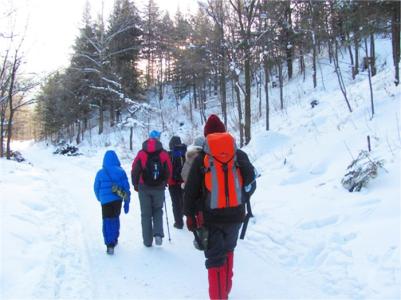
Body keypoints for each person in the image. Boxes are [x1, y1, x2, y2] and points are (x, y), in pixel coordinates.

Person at [184, 115, 256, 299]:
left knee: (215, 260)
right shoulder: (238, 154)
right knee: (229, 252)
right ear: (224, 131)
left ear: (206, 135)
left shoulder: (202, 158)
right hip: (236, 215)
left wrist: (190, 217)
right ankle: (225, 292)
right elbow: (250, 179)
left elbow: (190, 192)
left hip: (211, 218)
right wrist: (240, 196)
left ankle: (219, 296)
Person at [131, 130, 172, 247]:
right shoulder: (164, 154)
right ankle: (158, 234)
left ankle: (147, 241)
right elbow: (169, 169)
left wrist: (135, 184)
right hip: (159, 187)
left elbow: (135, 169)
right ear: (159, 139)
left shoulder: (141, 153)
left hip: (144, 187)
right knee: (158, 210)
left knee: (146, 214)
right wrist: (165, 182)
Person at [94, 150, 131, 255]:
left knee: (107, 220)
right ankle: (114, 239)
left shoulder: (100, 173)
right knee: (115, 219)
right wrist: (127, 201)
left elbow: (96, 187)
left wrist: (100, 198)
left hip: (105, 201)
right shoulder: (121, 171)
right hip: (117, 200)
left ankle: (109, 244)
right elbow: (126, 188)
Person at [168, 136, 187, 229]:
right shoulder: (185, 152)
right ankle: (183, 212)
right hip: (184, 181)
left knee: (175, 202)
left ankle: (178, 222)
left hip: (172, 182)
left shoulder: (170, 154)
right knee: (182, 199)